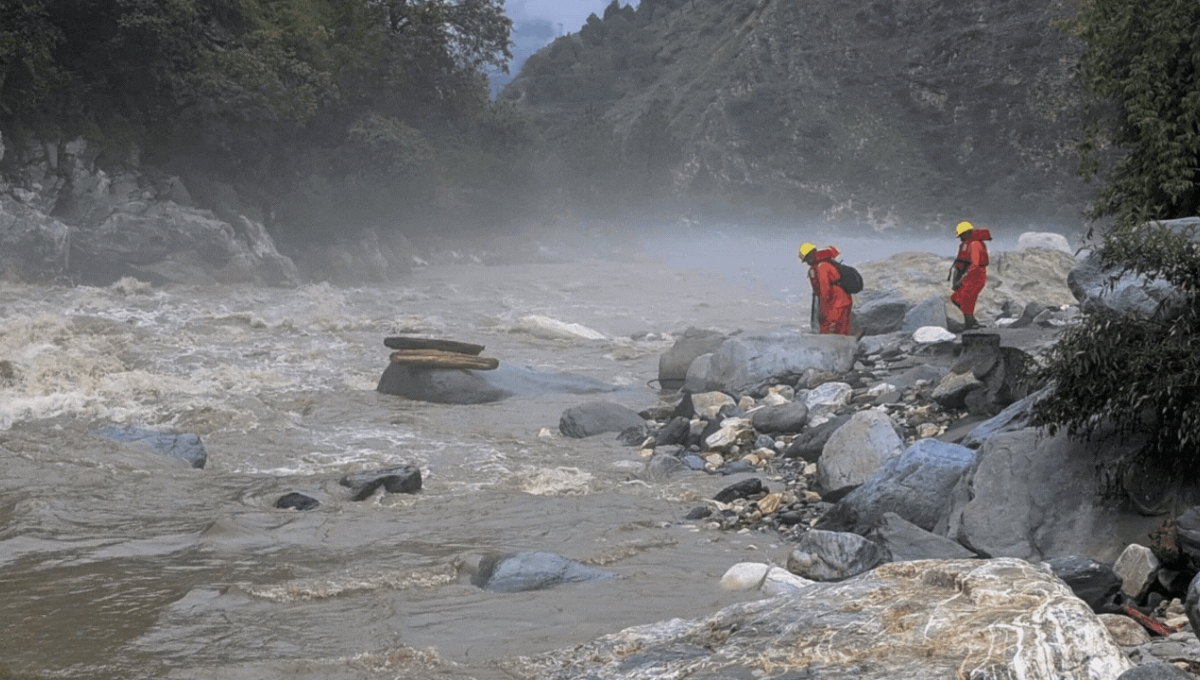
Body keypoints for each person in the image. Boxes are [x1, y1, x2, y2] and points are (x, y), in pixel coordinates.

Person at [799, 242, 853, 335]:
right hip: (845, 300)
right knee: (842, 330)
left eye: (806, 260)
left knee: (825, 330)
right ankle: (846, 345)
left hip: (836, 303)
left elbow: (825, 291)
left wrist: (822, 312)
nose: (807, 263)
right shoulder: (827, 263)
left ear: (810, 256)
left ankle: (834, 347)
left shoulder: (821, 267)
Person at [949, 221, 990, 330]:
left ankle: (970, 324)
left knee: (967, 299)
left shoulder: (974, 244)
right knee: (956, 298)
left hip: (976, 275)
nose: (960, 238)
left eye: (961, 235)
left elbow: (975, 264)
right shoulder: (968, 244)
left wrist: (961, 280)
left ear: (967, 233)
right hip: (970, 275)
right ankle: (971, 321)